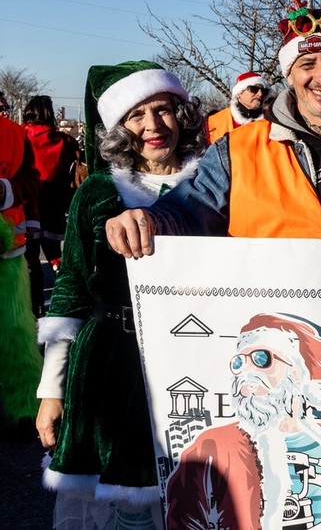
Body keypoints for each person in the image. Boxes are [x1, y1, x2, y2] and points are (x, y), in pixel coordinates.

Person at [104, 0, 321, 256]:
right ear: (289, 74)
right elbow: (189, 209)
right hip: (265, 308)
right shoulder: (237, 149)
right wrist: (148, 220)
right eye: (307, 64)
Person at [35, 61, 207, 528]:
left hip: (195, 355)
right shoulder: (97, 191)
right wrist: (51, 393)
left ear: (182, 115)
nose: (154, 125)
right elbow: (70, 291)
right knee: (122, 505)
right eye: (137, 115)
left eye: (163, 109)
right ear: (118, 128)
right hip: (111, 364)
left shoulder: (211, 186)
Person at [166, 313, 321, 530]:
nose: (246, 372)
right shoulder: (212, 447)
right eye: (239, 363)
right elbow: (183, 522)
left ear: (297, 373)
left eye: (261, 359)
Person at [0, 89, 42, 439]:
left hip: (7, 252)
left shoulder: (14, 134)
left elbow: (31, 179)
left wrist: (5, 190)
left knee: (16, 332)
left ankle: (25, 408)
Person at [22, 95, 78, 317]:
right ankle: (65, 303)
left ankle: (36, 307)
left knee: (31, 259)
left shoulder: (20, 136)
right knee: (55, 256)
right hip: (54, 206)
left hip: (27, 207)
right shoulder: (64, 141)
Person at [205, 71, 269, 143]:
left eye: (264, 91)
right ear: (239, 93)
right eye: (254, 89)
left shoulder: (272, 120)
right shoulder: (213, 122)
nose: (260, 94)